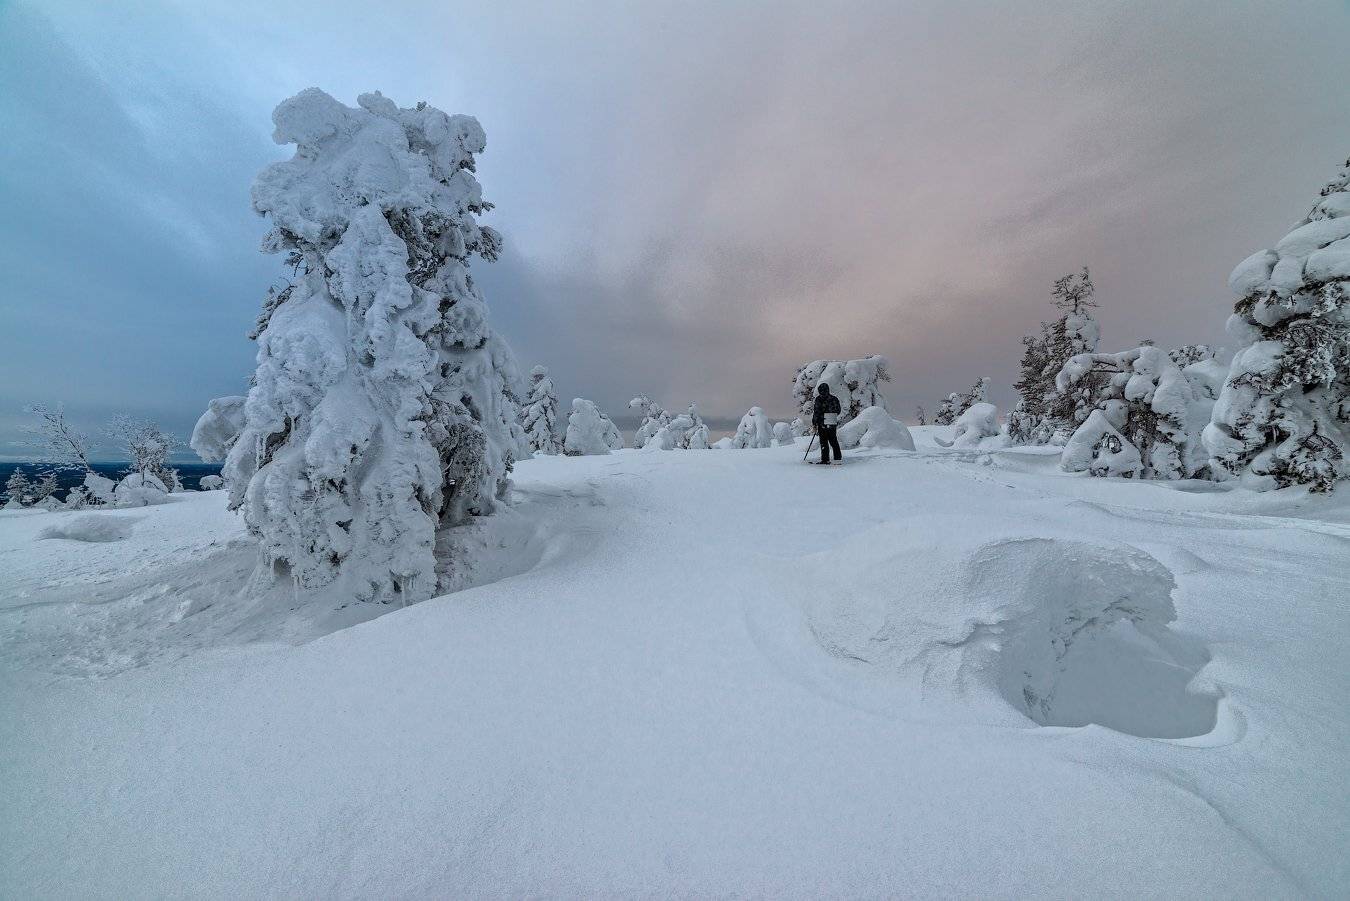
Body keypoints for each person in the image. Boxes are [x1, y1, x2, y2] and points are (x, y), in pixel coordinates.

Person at [812, 383, 843, 464]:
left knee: (827, 441)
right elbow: (838, 411)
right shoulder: (832, 399)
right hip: (828, 422)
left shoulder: (822, 399)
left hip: (826, 422)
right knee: (829, 441)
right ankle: (834, 458)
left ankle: (828, 459)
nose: (822, 393)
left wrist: (815, 422)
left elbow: (816, 412)